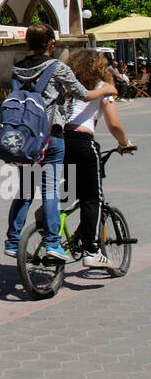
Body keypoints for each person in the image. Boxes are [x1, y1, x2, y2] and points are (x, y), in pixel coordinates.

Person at [4, 25, 115, 261]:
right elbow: (83, 94)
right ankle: (53, 242)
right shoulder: (57, 67)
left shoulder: (17, 68)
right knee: (50, 190)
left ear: (28, 43)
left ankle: (13, 241)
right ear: (51, 44)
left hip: (25, 136)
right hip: (51, 135)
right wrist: (105, 88)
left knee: (25, 190)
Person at [63, 50, 133, 268]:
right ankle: (91, 250)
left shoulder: (67, 84)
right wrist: (124, 143)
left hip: (57, 142)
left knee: (66, 194)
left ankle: (47, 227)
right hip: (82, 143)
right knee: (93, 198)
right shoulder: (103, 87)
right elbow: (114, 124)